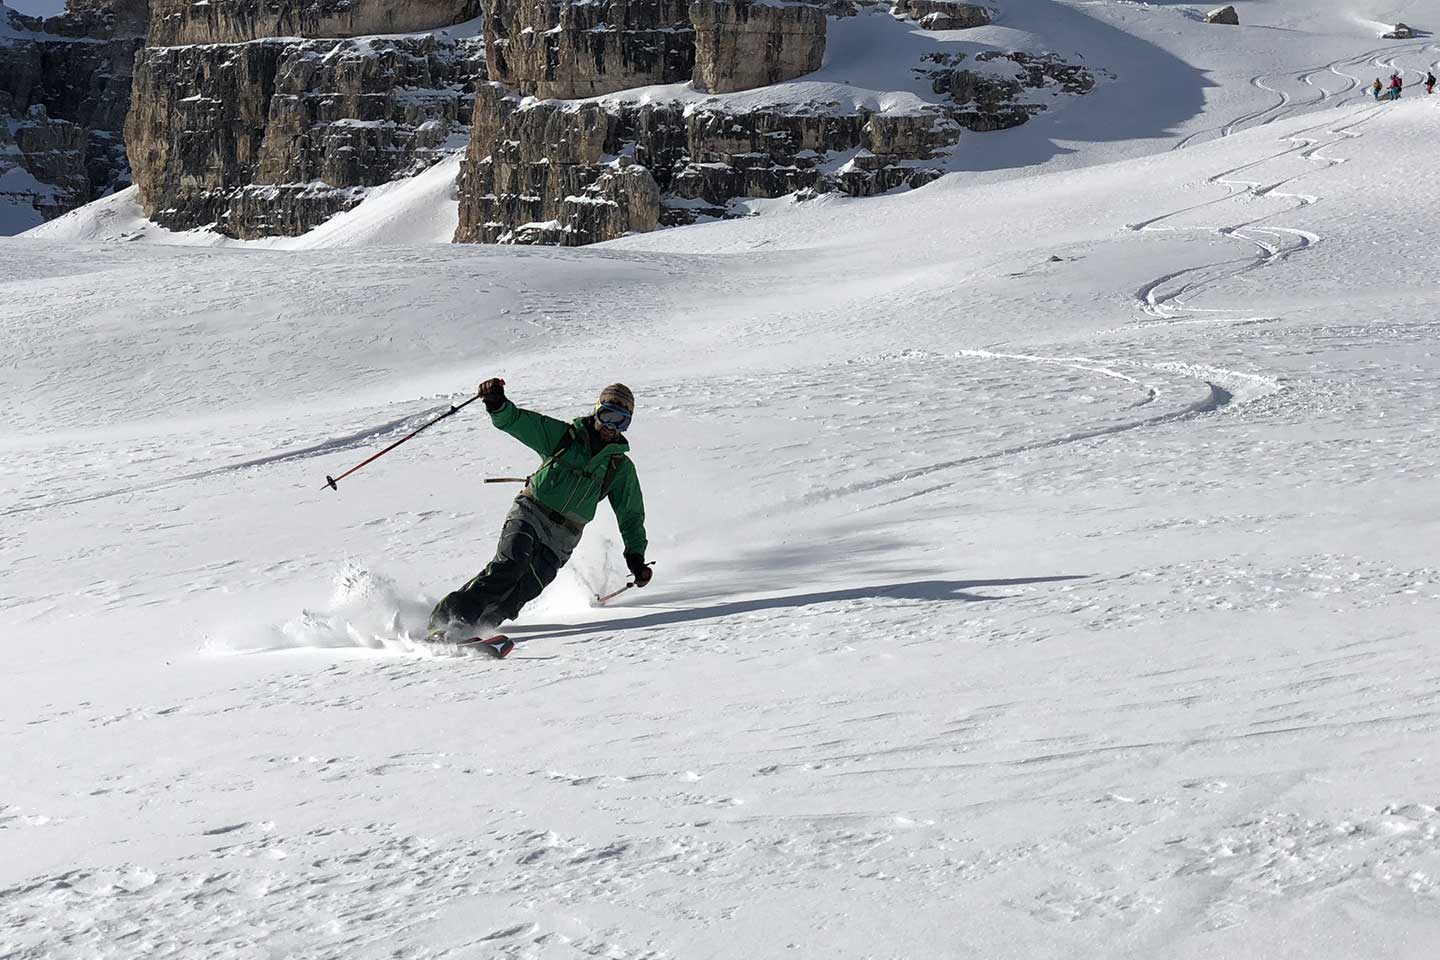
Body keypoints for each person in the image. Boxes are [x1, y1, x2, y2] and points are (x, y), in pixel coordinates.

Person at [427, 380, 651, 643]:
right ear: (596, 411)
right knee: (510, 566)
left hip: (563, 538)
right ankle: (447, 621)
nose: (612, 427)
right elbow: (519, 422)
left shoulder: (620, 467)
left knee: (524, 590)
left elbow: (631, 514)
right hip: (531, 512)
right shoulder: (565, 437)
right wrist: (498, 405)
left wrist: (636, 556)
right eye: (608, 416)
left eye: (621, 421)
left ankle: (477, 631)